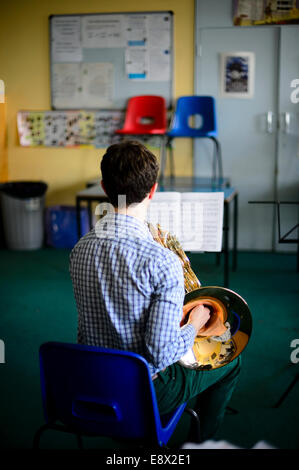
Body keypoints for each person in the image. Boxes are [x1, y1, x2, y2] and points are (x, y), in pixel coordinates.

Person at [70, 140, 241, 442]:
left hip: (91, 379)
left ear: (104, 187)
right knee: (232, 360)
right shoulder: (162, 261)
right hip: (144, 388)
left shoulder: (79, 248)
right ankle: (204, 443)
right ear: (153, 190)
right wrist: (195, 323)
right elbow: (160, 354)